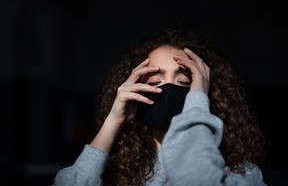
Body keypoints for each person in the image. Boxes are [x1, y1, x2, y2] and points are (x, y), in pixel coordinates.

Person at [52, 24, 268, 186]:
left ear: (202, 94)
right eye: (155, 83)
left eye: (184, 82)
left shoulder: (240, 174)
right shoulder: (115, 172)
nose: (168, 91)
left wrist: (199, 100)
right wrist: (114, 120)